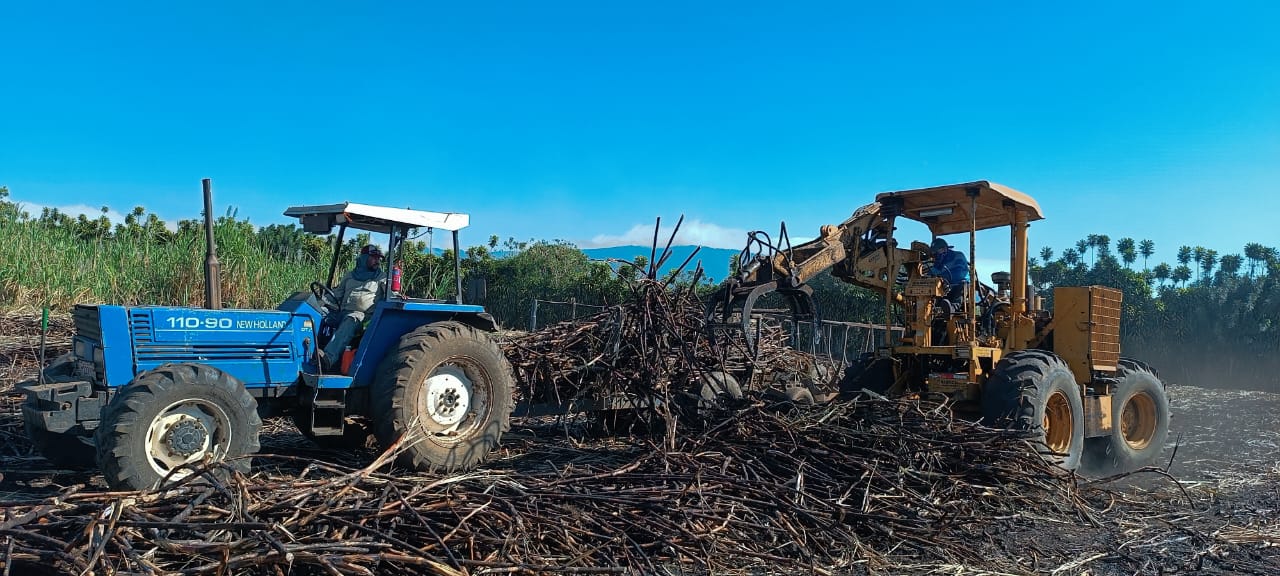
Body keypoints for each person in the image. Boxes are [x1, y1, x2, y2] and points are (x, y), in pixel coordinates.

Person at [322, 244, 387, 369]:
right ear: (363, 258)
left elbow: (391, 294)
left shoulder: (381, 277)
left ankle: (328, 358)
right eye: (373, 257)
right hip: (342, 312)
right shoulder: (350, 275)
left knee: (351, 319)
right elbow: (337, 295)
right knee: (320, 313)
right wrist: (322, 303)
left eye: (378, 258)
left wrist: (398, 295)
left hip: (364, 318)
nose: (377, 261)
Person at [929, 237, 969, 313]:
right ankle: (936, 311)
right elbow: (932, 273)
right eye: (934, 254)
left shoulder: (958, 256)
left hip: (959, 283)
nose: (935, 255)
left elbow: (959, 274)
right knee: (935, 291)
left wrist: (943, 278)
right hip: (946, 287)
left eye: (937, 252)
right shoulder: (938, 262)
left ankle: (952, 309)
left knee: (961, 287)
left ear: (944, 249)